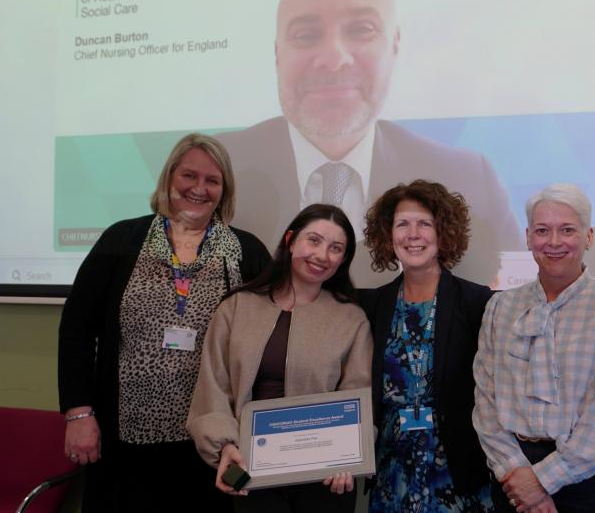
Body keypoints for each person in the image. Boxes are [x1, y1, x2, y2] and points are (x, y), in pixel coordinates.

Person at [218, 0, 520, 287]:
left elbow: (519, 304)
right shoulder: (214, 173)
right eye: (306, 34)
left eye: (362, 30)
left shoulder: (468, 180)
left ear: (394, 45)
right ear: (277, 54)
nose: (334, 59)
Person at [57, 133, 271, 512]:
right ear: (169, 178)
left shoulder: (245, 251)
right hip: (125, 438)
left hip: (210, 441)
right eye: (189, 176)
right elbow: (76, 327)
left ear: (225, 190)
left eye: (212, 180)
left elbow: (272, 334)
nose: (199, 188)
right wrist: (79, 412)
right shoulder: (122, 240)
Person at [187, 204, 371, 513]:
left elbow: (358, 394)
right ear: (290, 240)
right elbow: (214, 386)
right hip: (244, 463)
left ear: (342, 260)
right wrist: (225, 449)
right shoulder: (236, 307)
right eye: (313, 240)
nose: (322, 255)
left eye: (335, 248)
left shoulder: (352, 320)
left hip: (325, 476)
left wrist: (348, 457)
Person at [473, 183, 595, 513]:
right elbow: (485, 401)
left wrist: (542, 482)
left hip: (590, 476)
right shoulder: (501, 307)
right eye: (542, 230)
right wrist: (516, 475)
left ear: (589, 236)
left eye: (567, 230)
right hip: (513, 478)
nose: (553, 242)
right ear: (527, 237)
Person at [358, 180, 494, 512]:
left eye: (425, 224)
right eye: (402, 224)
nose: (413, 234)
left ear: (443, 232)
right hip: (393, 468)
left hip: (456, 470)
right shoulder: (371, 306)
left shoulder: (476, 302)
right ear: (388, 236)